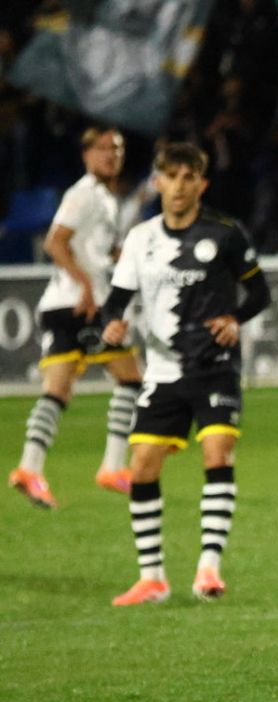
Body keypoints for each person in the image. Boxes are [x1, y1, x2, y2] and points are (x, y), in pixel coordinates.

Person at [98, 142, 271, 606]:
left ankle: (208, 568)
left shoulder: (226, 233)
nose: (179, 186)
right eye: (170, 176)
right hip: (163, 372)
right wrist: (110, 325)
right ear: (157, 182)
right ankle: (152, 577)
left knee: (218, 452)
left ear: (202, 184)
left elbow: (259, 293)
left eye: (188, 177)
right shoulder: (140, 239)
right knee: (141, 467)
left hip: (214, 368)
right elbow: (114, 304)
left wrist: (234, 319)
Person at [9, 126, 142, 509]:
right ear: (85, 155)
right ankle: (113, 466)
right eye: (102, 148)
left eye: (117, 149)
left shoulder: (105, 199)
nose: (110, 155)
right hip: (80, 304)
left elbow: (97, 251)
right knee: (131, 377)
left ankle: (30, 468)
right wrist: (86, 285)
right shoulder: (82, 194)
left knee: (58, 390)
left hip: (70, 304)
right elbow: (55, 241)